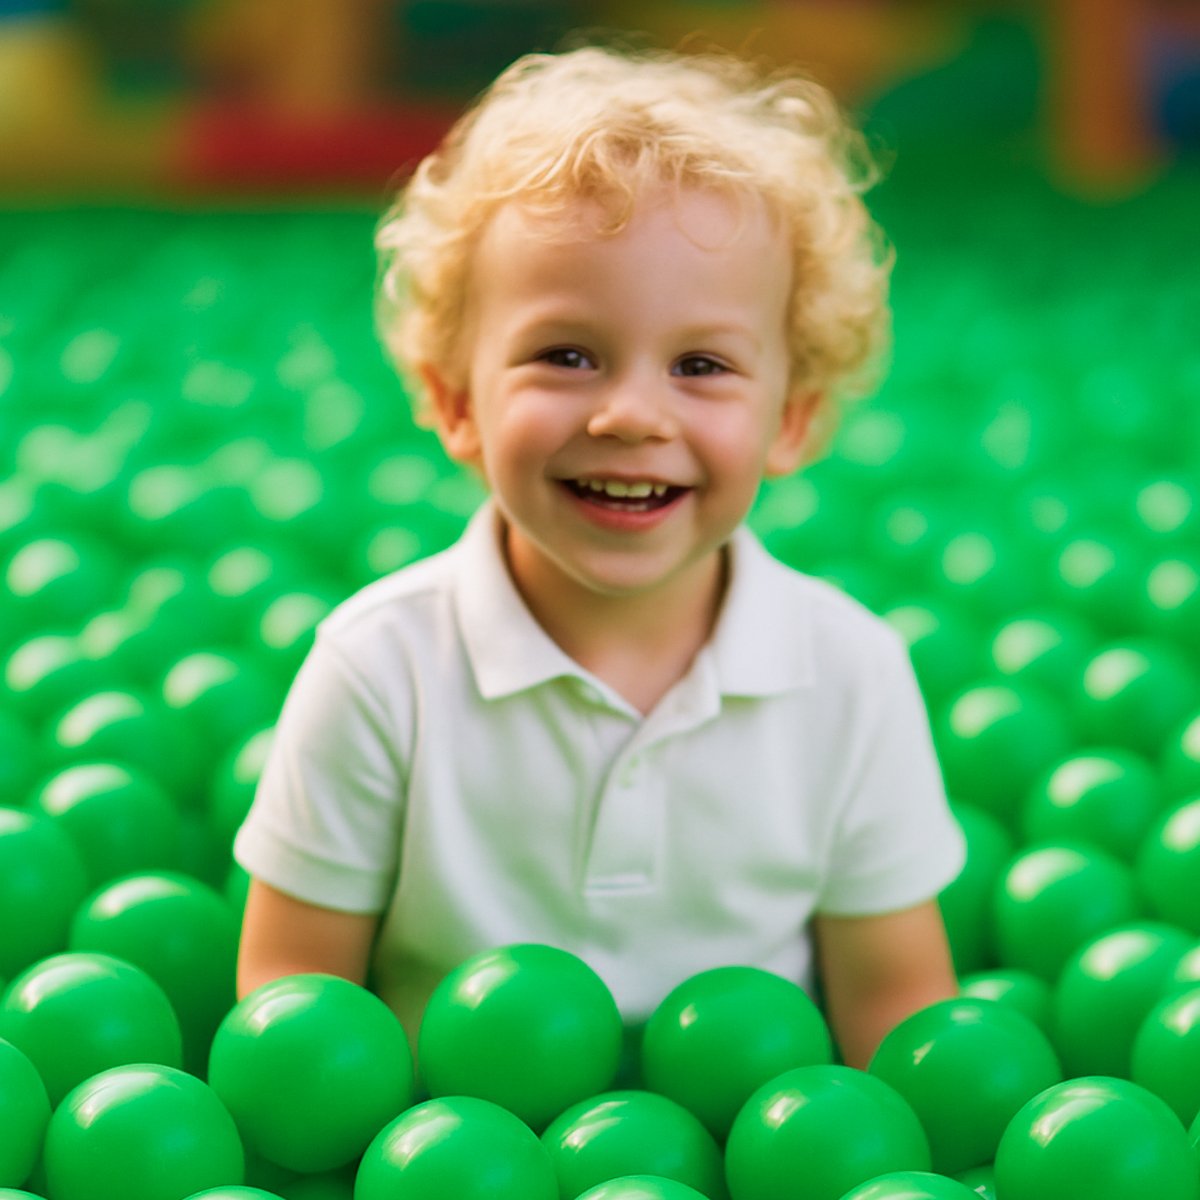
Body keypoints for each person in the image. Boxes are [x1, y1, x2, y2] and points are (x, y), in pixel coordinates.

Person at [234, 42, 966, 1070]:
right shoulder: (379, 665)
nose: (630, 415)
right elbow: (292, 1011)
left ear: (790, 421)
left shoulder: (850, 672)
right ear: (455, 401)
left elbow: (896, 1009)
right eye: (567, 355)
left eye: (702, 365)